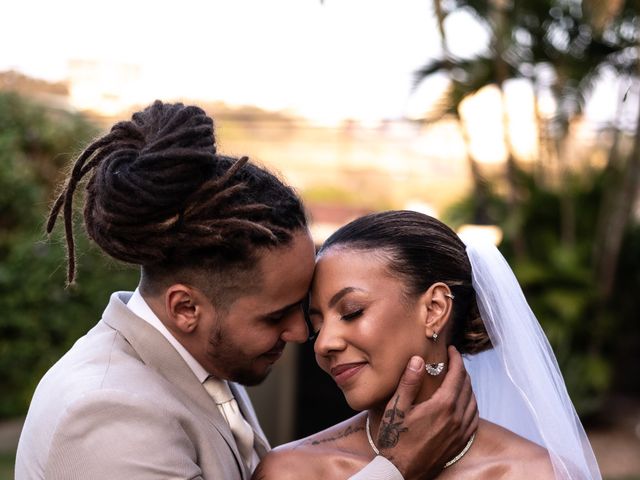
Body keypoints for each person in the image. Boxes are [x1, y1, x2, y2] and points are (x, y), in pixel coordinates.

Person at [15, 102, 478, 480]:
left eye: (303, 310)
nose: (303, 333)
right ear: (186, 308)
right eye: (276, 316)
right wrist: (394, 469)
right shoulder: (106, 413)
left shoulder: (201, 360)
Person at [254, 210, 602, 479]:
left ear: (434, 310)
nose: (323, 344)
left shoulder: (540, 474)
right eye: (317, 325)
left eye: (352, 311)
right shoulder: (291, 470)